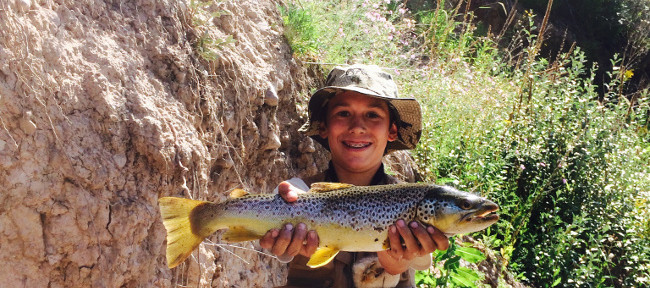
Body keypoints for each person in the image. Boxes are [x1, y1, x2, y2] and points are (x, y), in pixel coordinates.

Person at [259, 64, 449, 288]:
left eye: (372, 115)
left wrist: (397, 265)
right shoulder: (300, 191)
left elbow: (419, 261)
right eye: (344, 113)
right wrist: (284, 222)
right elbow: (279, 209)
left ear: (392, 130)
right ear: (323, 126)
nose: (357, 127)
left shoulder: (413, 203)